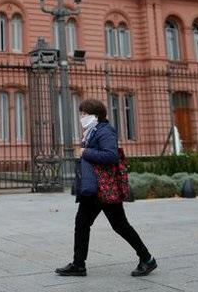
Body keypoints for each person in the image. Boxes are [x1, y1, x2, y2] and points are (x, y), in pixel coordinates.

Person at [55, 98, 157, 277]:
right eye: (81, 113)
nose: (81, 117)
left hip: (105, 188)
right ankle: (79, 264)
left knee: (120, 225)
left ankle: (147, 259)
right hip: (94, 188)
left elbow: (111, 156)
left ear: (95, 115)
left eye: (84, 113)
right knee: (82, 223)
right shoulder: (92, 131)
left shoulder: (105, 131)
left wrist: (86, 152)